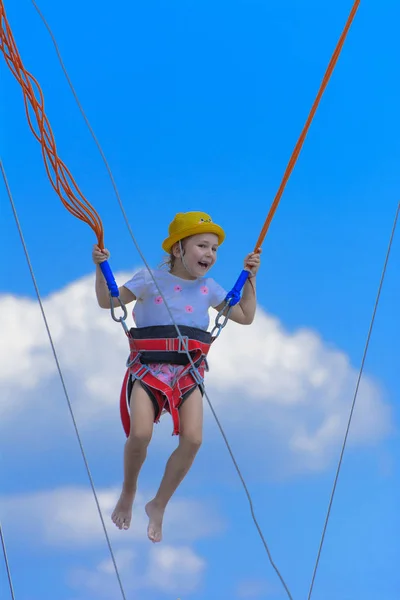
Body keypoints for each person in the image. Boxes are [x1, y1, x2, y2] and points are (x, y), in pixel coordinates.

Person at [92, 211, 261, 542]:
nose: (209, 255)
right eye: (202, 246)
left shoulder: (209, 289)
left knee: (194, 440)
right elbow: (108, 300)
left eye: (214, 249)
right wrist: (102, 268)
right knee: (140, 434)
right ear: (178, 249)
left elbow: (245, 316)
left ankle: (159, 504)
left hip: (187, 373)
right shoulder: (148, 280)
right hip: (149, 370)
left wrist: (250, 278)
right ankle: (128, 493)